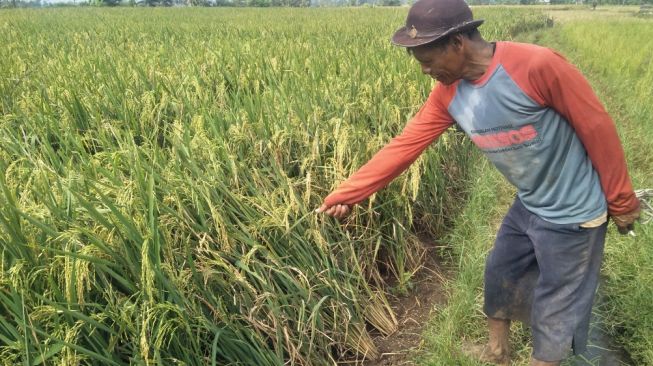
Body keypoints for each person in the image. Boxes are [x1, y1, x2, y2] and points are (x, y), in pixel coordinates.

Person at [315, 0, 641, 364]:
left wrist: (622, 201)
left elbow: (596, 126)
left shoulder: (535, 65)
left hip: (574, 210)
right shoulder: (448, 94)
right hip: (530, 201)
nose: (424, 71)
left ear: (457, 43)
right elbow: (404, 147)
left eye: (427, 60)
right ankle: (497, 351)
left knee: (557, 301)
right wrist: (347, 194)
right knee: (500, 270)